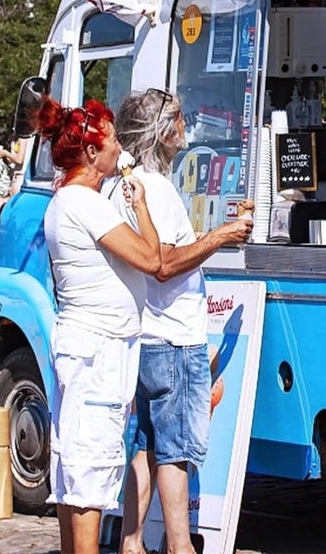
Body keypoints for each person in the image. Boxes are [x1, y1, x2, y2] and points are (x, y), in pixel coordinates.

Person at [105, 88, 253, 554]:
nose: (186, 127)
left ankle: (131, 542)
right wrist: (223, 235)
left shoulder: (119, 188)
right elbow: (166, 263)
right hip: (173, 337)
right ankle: (179, 545)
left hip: (144, 336)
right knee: (176, 451)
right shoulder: (158, 189)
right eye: (179, 119)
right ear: (161, 131)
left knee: (145, 447)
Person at [34, 95, 162, 554]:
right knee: (91, 466)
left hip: (85, 343)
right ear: (91, 152)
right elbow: (152, 258)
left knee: (75, 465)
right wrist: (142, 207)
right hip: (99, 347)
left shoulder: (65, 200)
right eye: (110, 140)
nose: (117, 148)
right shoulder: (84, 204)